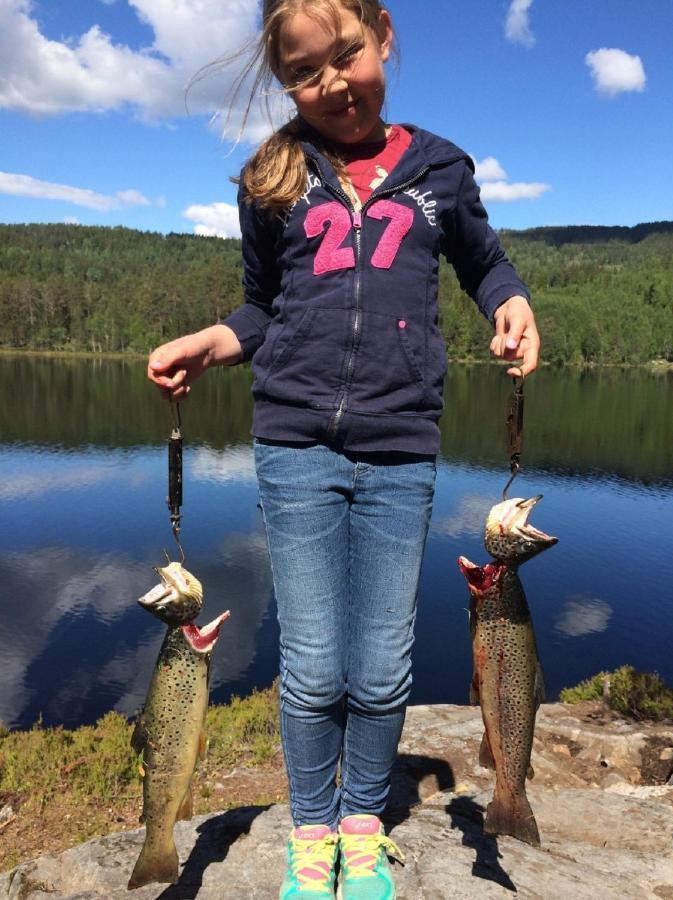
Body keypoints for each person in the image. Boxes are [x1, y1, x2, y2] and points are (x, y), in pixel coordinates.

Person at [148, 1, 540, 896]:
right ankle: (310, 832)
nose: (332, 84)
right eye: (305, 72)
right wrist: (210, 345)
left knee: (382, 663)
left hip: (402, 449)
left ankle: (361, 827)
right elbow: (259, 307)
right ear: (283, 81)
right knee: (316, 662)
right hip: (294, 449)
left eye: (347, 55)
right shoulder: (271, 177)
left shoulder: (439, 166)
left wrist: (509, 304)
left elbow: (482, 261)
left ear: (382, 37)